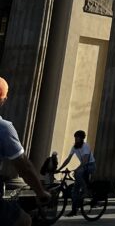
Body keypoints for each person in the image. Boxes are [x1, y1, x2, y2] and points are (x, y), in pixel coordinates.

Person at [0, 76, 51, 226]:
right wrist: (40, 192)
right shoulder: (4, 129)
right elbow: (24, 167)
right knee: (24, 220)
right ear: (3, 100)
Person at [59, 130, 96, 216]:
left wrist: (76, 169)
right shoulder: (74, 147)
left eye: (78, 137)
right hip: (83, 166)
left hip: (90, 165)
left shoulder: (85, 146)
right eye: (75, 137)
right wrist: (59, 169)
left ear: (82, 138)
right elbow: (68, 159)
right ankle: (74, 210)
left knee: (77, 173)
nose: (76, 139)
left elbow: (85, 161)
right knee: (75, 190)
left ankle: (86, 190)